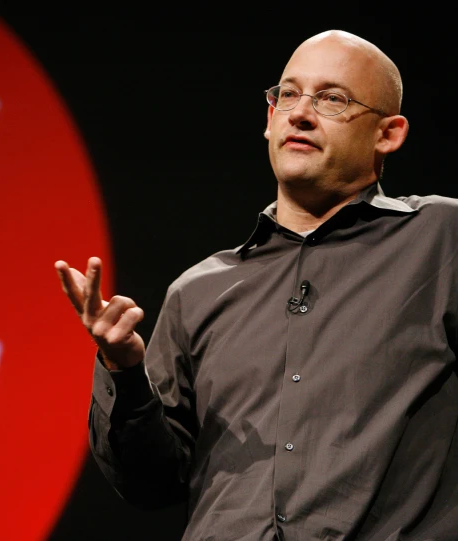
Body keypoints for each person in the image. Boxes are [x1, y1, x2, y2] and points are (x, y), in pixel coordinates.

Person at [54, 29, 458, 541]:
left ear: (389, 133)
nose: (301, 113)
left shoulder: (441, 240)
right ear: (269, 120)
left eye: (333, 99)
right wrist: (124, 370)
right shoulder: (198, 292)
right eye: (287, 94)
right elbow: (148, 485)